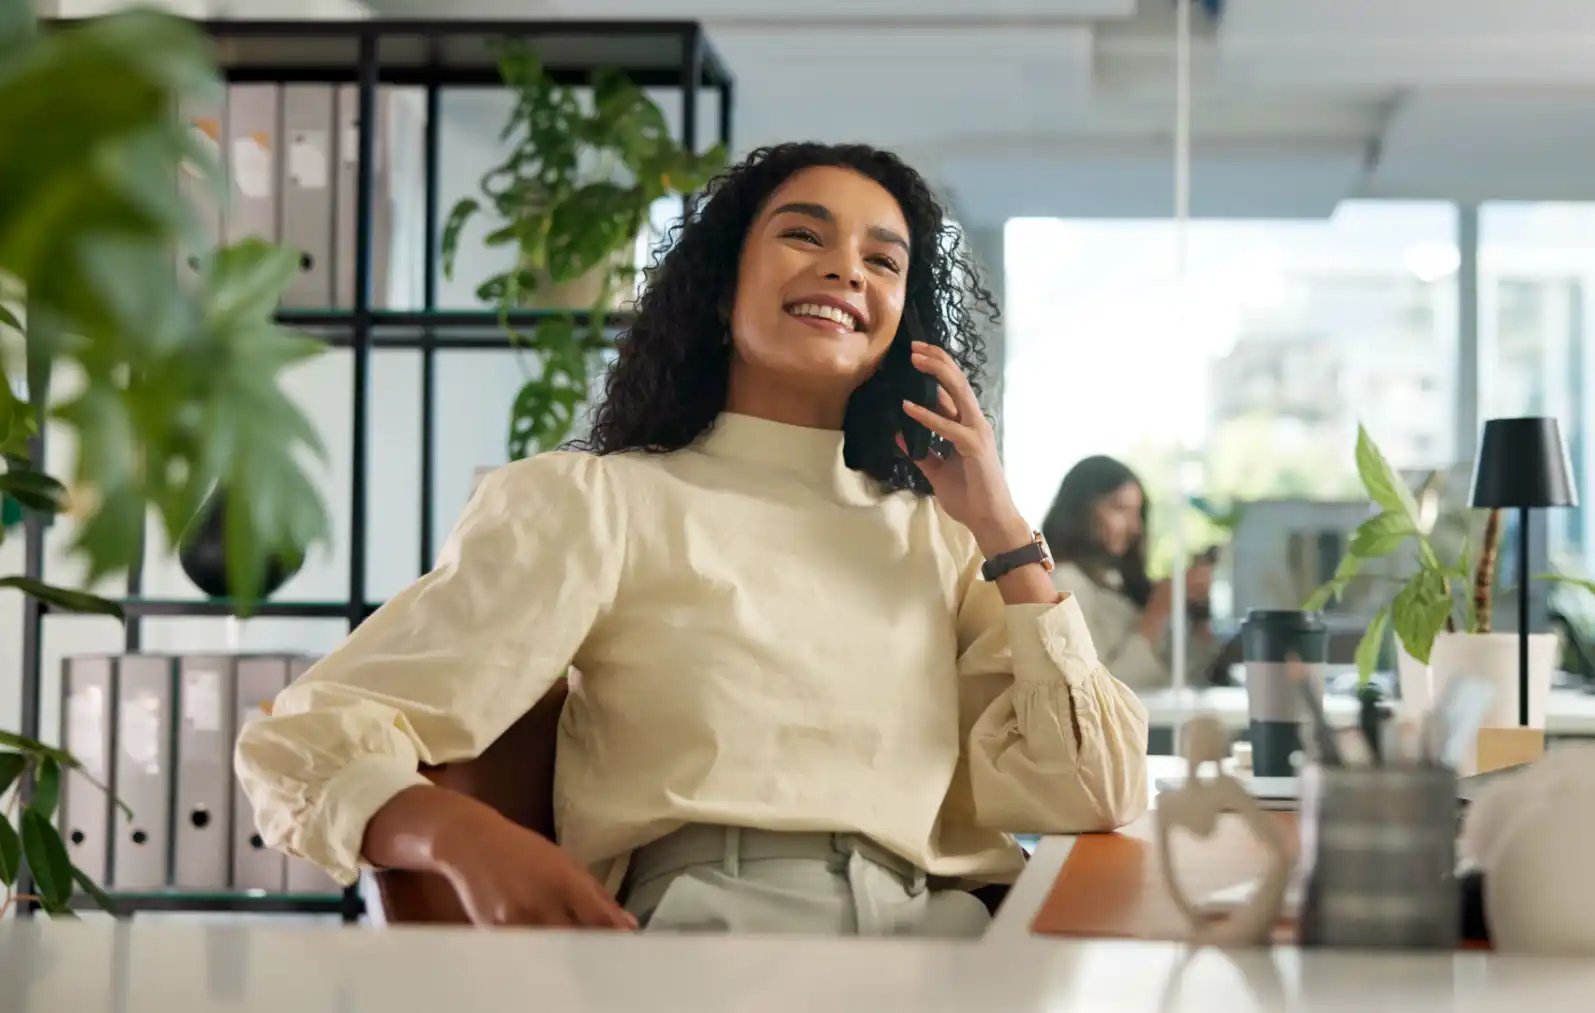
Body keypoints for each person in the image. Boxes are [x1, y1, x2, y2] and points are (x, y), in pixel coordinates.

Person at [234, 143, 1149, 937]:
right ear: (720, 291)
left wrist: (1001, 526)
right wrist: (454, 833)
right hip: (716, 934)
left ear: (899, 323)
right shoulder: (598, 504)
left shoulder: (946, 540)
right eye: (804, 235)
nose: (847, 271)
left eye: (884, 258)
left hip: (951, 936)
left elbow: (1094, 790)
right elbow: (299, 741)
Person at [1041, 456, 1218, 692]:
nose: (1135, 528)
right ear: (1080, 511)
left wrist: (1197, 614)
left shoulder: (1118, 583)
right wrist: (1156, 613)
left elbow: (1184, 679)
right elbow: (1101, 693)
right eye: (1120, 509)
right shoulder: (1065, 582)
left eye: (1137, 514)